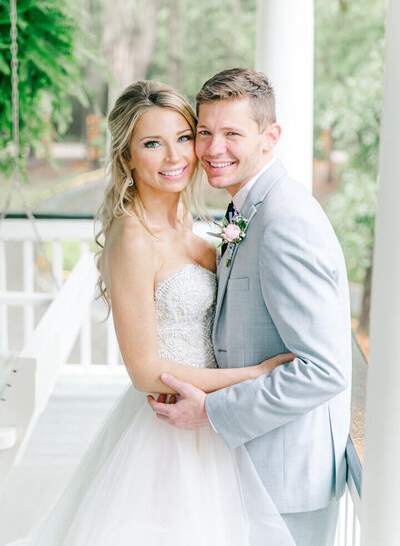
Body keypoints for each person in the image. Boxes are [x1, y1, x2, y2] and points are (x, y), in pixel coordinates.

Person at [5, 80, 295, 546]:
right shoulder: (133, 237)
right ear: (127, 156)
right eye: (152, 144)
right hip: (169, 434)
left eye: (183, 138)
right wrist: (253, 374)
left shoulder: (189, 223)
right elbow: (145, 371)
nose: (175, 157)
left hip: (212, 421)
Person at [148, 68, 352, 546]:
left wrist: (214, 411)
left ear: (270, 136)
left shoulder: (285, 220)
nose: (214, 148)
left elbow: (324, 370)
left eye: (233, 133)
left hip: (288, 482)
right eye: (205, 132)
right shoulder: (246, 208)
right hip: (254, 470)